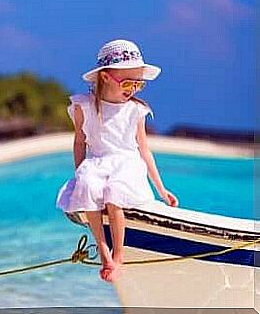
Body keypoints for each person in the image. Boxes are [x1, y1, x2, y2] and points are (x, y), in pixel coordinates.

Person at [56, 39, 179, 283]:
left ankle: (119, 255)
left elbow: (144, 150)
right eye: (127, 82)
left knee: (115, 193)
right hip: (98, 162)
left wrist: (161, 189)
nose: (132, 89)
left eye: (138, 84)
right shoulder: (85, 107)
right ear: (105, 77)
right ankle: (104, 253)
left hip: (127, 163)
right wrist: (80, 172)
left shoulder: (136, 110)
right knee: (88, 186)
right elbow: (80, 142)